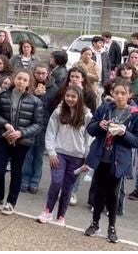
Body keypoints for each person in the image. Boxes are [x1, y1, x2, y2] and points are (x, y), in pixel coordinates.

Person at [83, 79, 138, 243]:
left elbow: (136, 141)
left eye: (123, 93)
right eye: (116, 93)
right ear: (112, 93)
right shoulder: (105, 108)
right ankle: (95, 223)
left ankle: (112, 227)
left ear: (129, 95)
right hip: (101, 157)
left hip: (119, 160)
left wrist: (123, 133)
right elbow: (90, 129)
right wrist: (100, 125)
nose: (119, 96)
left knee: (113, 194)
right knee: (98, 191)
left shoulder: (134, 114)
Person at [0, 69, 44, 215]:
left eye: (24, 80)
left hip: (21, 141)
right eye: (19, 78)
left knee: (16, 171)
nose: (21, 82)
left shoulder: (36, 101)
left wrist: (21, 133)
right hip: (4, 137)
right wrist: (5, 124)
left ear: (29, 83)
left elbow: (38, 124)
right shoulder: (2, 95)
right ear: (13, 79)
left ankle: (11, 202)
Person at [36, 86, 92, 226]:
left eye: (73, 97)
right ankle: (48, 211)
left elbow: (89, 139)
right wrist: (52, 152)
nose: (70, 99)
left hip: (78, 158)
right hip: (59, 154)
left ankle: (61, 216)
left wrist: (88, 160)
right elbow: (50, 132)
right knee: (56, 181)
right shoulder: (58, 112)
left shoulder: (87, 116)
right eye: (68, 96)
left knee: (68, 187)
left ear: (79, 98)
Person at [21, 64, 59, 194]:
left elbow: (54, 109)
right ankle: (24, 179)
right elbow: (21, 99)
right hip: (28, 124)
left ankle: (35, 181)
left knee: (38, 155)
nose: (41, 76)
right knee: (27, 154)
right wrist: (33, 94)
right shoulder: (29, 85)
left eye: (44, 73)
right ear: (34, 73)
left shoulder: (53, 88)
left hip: (44, 125)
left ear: (48, 73)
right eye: (38, 73)